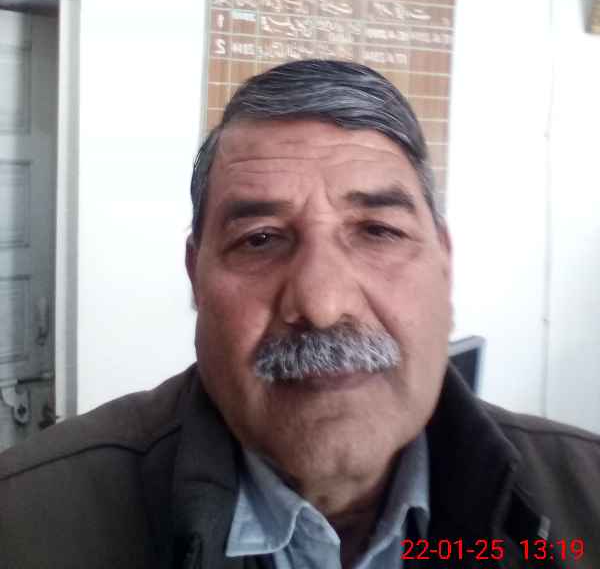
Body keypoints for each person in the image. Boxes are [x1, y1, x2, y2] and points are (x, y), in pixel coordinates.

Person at [0, 59, 599, 569]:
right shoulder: (24, 522)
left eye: (378, 231)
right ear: (195, 275)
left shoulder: (584, 498)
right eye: (259, 239)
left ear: (444, 262)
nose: (321, 305)